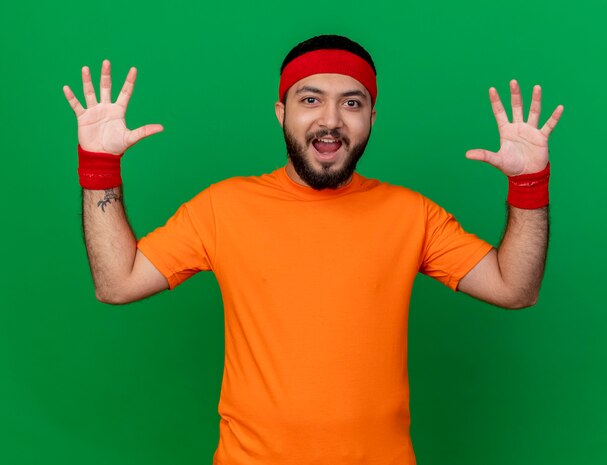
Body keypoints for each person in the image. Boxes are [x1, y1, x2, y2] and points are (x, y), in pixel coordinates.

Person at [63, 35, 563, 465]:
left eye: (352, 102)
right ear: (282, 112)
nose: (331, 120)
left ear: (371, 116)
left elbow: (514, 288)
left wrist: (529, 183)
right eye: (310, 100)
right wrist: (99, 164)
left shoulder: (412, 214)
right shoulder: (222, 207)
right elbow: (117, 282)